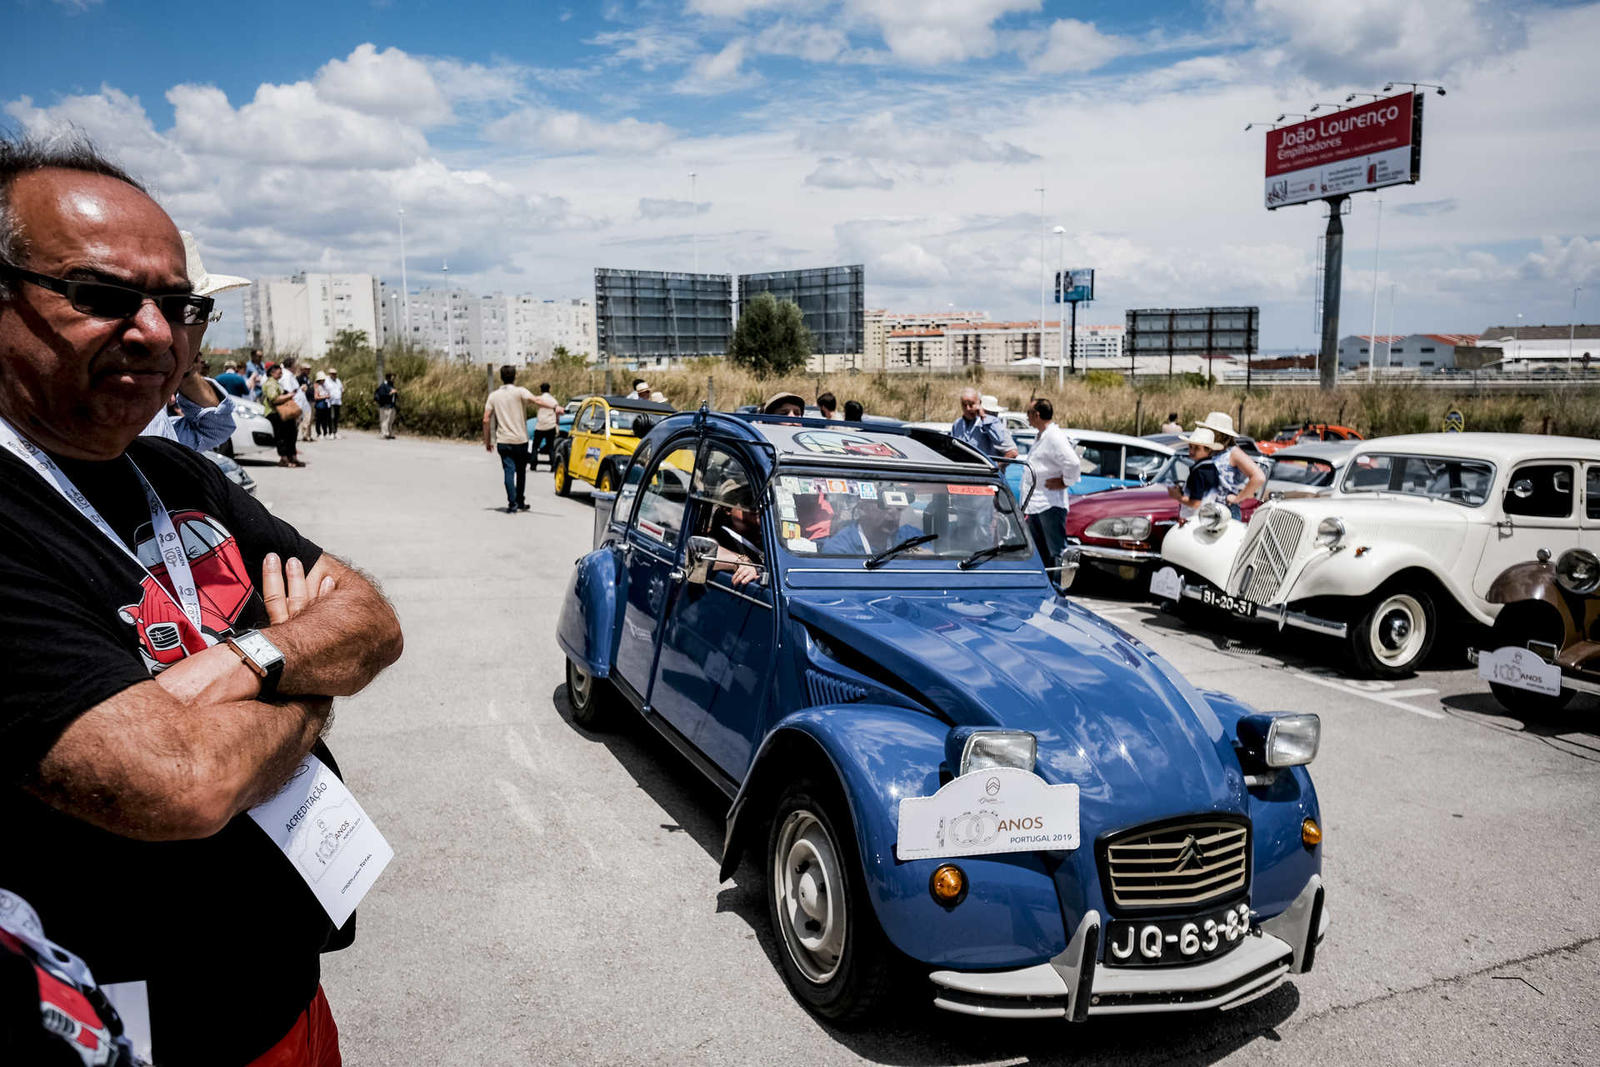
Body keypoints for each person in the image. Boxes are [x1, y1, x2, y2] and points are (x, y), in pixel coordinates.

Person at [0, 135, 404, 1066]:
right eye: (101, 296)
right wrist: (306, 687)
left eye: (180, 305)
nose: (155, 332)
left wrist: (249, 659)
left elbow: (372, 622)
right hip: (122, 1030)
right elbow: (184, 785)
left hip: (282, 996)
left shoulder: (171, 468)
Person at [138, 232, 246, 453]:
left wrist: (182, 370)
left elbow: (215, 429)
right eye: (202, 312)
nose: (205, 326)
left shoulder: (149, 411)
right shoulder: (128, 407)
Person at [1021, 398, 1081, 573]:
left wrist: (1065, 481)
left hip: (1049, 503)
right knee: (1039, 551)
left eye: (1029, 413)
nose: (1027, 417)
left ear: (1037, 415)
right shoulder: (1042, 436)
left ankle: (1058, 586)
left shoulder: (1054, 436)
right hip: (1037, 503)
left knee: (1055, 551)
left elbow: (1073, 462)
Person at [483, 364, 539, 512]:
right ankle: (520, 501)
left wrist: (488, 441)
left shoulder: (493, 396)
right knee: (521, 472)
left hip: (503, 441)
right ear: (515, 376)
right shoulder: (520, 391)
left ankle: (512, 503)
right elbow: (537, 400)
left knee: (508, 471)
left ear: (501, 377)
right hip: (520, 440)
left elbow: (486, 419)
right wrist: (554, 407)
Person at [1189, 411, 1265, 517]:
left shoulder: (1233, 452)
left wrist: (1237, 498)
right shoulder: (1211, 451)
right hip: (1206, 510)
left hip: (1225, 512)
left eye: (1211, 430)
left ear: (1221, 434)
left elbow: (1259, 477)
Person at [819, 491, 925, 555]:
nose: (893, 512)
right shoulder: (840, 546)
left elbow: (933, 560)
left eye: (899, 508)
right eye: (883, 505)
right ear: (863, 508)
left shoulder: (908, 535)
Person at [1168, 426, 1229, 518]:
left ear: (1208, 450)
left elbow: (1195, 503)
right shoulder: (1212, 468)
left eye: (1196, 448)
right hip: (1206, 517)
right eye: (1190, 447)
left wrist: (1177, 496)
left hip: (1193, 519)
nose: (1191, 451)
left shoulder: (1199, 471)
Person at [950, 387, 1017, 459]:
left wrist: (997, 467)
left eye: (971, 404)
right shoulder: (957, 424)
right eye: (964, 405)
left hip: (983, 468)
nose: (967, 408)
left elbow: (1001, 440)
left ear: (979, 403)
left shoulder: (990, 422)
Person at [260, 362, 304, 467]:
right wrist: (289, 395)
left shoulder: (276, 383)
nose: (281, 375)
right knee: (282, 436)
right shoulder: (270, 383)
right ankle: (284, 459)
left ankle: (292, 458)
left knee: (291, 434)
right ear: (272, 372)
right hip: (274, 413)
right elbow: (274, 399)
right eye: (279, 373)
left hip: (282, 413)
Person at [529, 382, 560, 471]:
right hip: (550, 425)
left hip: (540, 426)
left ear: (541, 389)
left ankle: (533, 465)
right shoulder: (554, 400)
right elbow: (557, 413)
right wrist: (557, 422)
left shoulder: (539, 399)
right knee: (551, 447)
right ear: (549, 389)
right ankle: (553, 466)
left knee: (535, 446)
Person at [375, 373, 399, 439]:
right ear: (388, 378)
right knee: (384, 420)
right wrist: (390, 393)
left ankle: (389, 433)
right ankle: (384, 434)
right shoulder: (383, 386)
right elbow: (382, 395)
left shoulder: (391, 385)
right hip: (385, 406)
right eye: (392, 378)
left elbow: (395, 395)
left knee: (390, 421)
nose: (393, 379)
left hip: (392, 406)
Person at [325, 368, 343, 439]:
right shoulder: (327, 380)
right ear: (330, 374)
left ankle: (335, 431)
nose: (334, 375)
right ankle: (331, 432)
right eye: (332, 373)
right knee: (331, 417)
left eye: (335, 373)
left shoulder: (338, 380)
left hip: (338, 401)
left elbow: (341, 388)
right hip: (330, 402)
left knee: (336, 418)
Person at [312, 373, 331, 439]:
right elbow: (316, 397)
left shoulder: (324, 386)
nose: (323, 381)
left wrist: (327, 396)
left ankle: (325, 433)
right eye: (322, 379)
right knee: (318, 420)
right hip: (319, 405)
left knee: (325, 420)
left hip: (325, 405)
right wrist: (325, 397)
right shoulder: (317, 386)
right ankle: (319, 433)